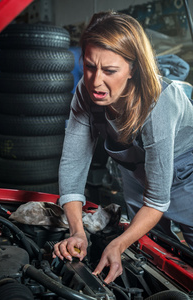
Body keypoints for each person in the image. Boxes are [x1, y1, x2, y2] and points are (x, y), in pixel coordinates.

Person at [53, 11, 193, 284]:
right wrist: (77, 232)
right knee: (150, 253)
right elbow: (73, 165)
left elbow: (156, 201)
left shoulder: (160, 103)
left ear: (134, 69)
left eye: (110, 71)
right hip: (136, 173)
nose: (95, 81)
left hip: (187, 176)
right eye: (90, 66)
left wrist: (117, 244)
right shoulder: (86, 91)